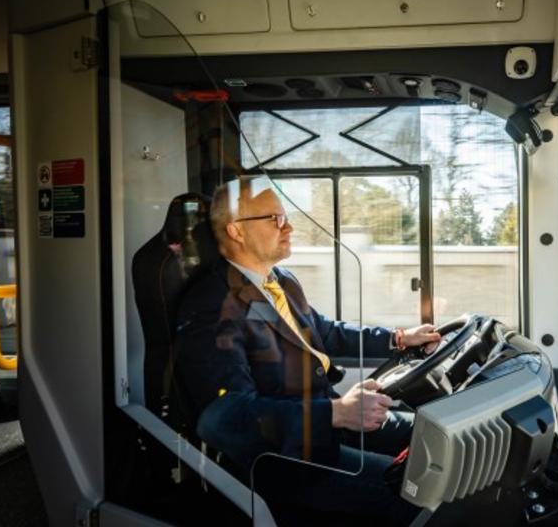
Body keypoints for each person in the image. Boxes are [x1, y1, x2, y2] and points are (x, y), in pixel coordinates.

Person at [174, 175, 439, 524]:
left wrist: (399, 338)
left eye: (285, 217)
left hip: (324, 427)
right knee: (417, 490)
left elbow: (324, 332)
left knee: (434, 437)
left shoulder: (280, 280)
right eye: (275, 219)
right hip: (285, 459)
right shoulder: (211, 306)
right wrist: (336, 413)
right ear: (237, 231)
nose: (289, 227)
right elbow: (224, 418)